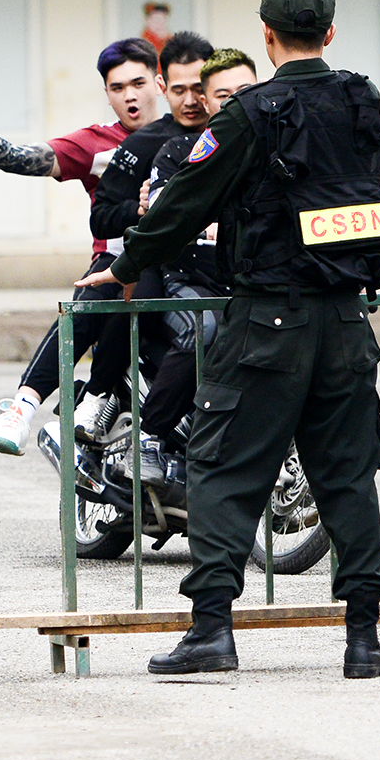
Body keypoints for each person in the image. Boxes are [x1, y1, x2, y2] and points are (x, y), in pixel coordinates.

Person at [79, 0, 380, 680]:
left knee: (224, 468)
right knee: (347, 476)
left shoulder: (250, 113)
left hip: (267, 319)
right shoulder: (360, 100)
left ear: (265, 35)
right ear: (330, 32)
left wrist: (127, 261)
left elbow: (185, 200)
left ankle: (212, 630)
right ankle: (363, 638)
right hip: (346, 317)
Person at [0, 39, 162, 454]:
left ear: (159, 83)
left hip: (185, 265)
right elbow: (18, 157)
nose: (130, 95)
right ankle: (23, 408)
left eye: (138, 82)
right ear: (107, 96)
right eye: (117, 88)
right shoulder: (95, 144)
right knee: (91, 297)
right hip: (117, 263)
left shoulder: (196, 136)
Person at [78, 32, 216, 456]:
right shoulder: (153, 145)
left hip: (225, 271)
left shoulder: (241, 135)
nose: (191, 99)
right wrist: (141, 213)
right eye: (179, 89)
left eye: (201, 89)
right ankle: (101, 400)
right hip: (160, 267)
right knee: (126, 296)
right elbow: (101, 217)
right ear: (164, 88)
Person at [130, 48, 259, 490]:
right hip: (185, 283)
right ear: (206, 102)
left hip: (250, 285)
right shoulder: (182, 149)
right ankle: (148, 436)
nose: (237, 101)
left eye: (246, 91)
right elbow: (172, 218)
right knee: (205, 329)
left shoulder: (271, 151)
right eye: (224, 94)